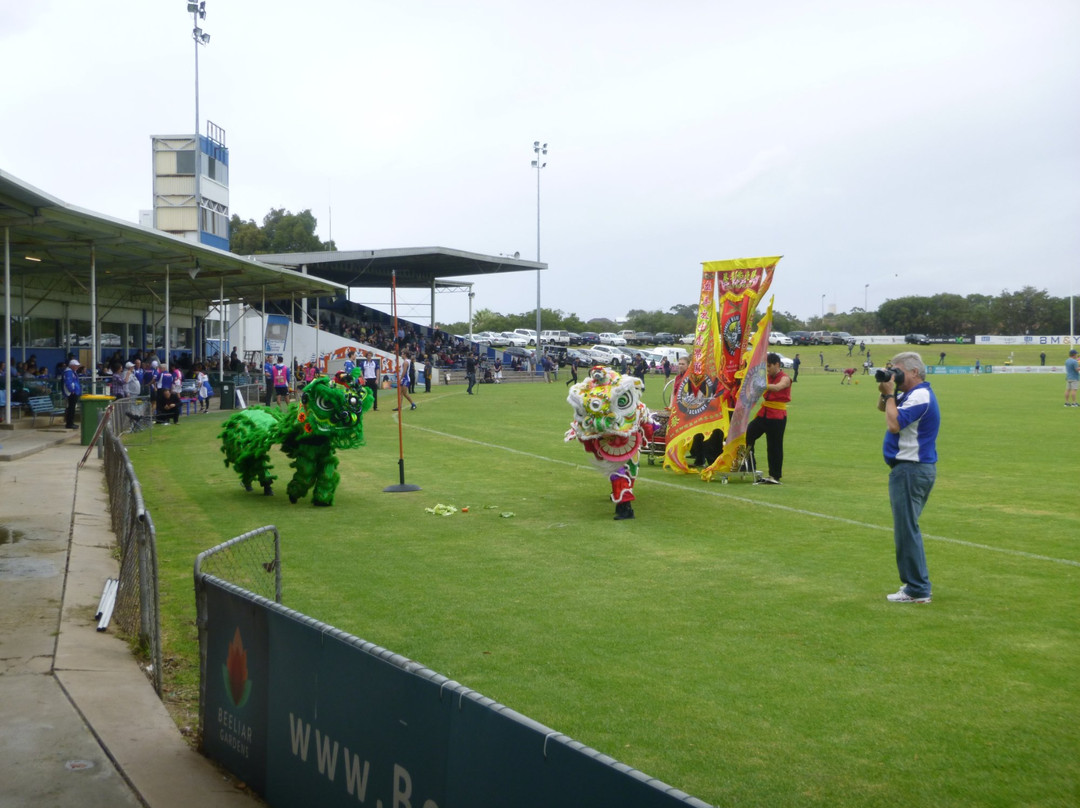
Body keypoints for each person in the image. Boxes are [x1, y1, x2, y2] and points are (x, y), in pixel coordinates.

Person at [877, 351, 939, 603]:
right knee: (907, 528)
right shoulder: (911, 394)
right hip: (910, 469)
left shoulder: (920, 395)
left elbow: (893, 424)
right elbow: (882, 407)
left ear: (914, 372)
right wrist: (887, 391)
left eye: (899, 370)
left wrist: (891, 393)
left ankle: (917, 588)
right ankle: (917, 585)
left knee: (906, 529)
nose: (895, 374)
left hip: (911, 469)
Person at [745, 353, 792, 485]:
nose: (768, 369)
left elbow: (777, 387)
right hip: (764, 413)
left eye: (769, 366)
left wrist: (760, 384)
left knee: (774, 446)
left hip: (777, 416)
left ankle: (774, 475)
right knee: (748, 434)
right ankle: (750, 465)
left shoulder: (785, 378)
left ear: (777, 364)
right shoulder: (766, 378)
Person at [62, 358, 82, 429]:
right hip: (71, 392)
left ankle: (71, 422)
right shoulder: (69, 372)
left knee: (72, 408)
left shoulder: (73, 372)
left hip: (73, 391)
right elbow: (68, 382)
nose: (77, 367)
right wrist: (72, 390)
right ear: (72, 365)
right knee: (71, 408)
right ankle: (69, 423)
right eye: (76, 366)